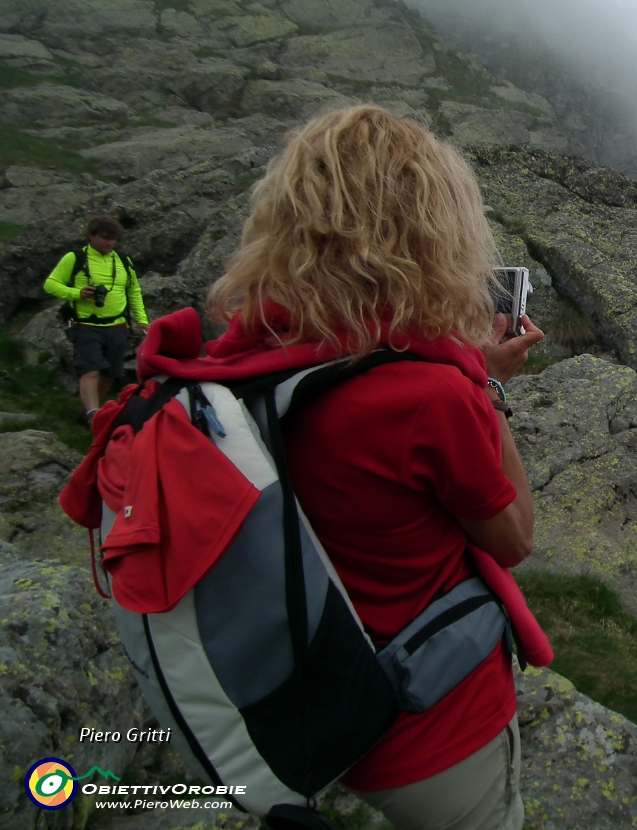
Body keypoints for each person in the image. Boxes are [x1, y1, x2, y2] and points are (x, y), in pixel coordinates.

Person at [195, 105, 542, 830]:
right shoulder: (426, 392)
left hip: (310, 695)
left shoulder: (252, 357)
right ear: (432, 232)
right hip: (430, 728)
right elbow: (513, 535)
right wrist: (485, 384)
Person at [43, 215, 149, 422]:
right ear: (90, 236)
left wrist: (142, 319)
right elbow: (51, 284)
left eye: (114, 239)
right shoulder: (75, 259)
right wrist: (77, 293)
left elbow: (133, 291)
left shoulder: (123, 260)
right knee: (91, 371)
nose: (110, 243)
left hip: (118, 326)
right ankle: (94, 415)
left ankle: (91, 412)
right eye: (104, 238)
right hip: (85, 325)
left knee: (110, 374)